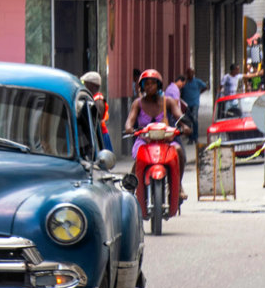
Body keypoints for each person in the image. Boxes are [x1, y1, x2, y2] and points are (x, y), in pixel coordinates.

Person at [125, 69, 190, 198]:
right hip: (144, 140)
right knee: (139, 157)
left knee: (179, 151)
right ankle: (131, 187)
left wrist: (185, 126)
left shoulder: (169, 102)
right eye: (146, 84)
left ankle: (178, 186)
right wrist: (130, 129)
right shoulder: (137, 103)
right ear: (142, 86)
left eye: (152, 83)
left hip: (165, 141)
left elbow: (179, 116)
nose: (149, 87)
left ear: (158, 85)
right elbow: (129, 122)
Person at [81, 71, 112, 150]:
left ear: (92, 85)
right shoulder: (92, 98)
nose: (84, 85)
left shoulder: (98, 101)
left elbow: (96, 120)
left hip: (100, 136)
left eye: (85, 83)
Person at [180, 67, 207, 144]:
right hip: (186, 105)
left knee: (194, 120)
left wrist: (199, 93)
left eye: (191, 73)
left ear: (193, 74)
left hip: (195, 103)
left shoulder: (197, 82)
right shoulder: (184, 82)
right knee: (188, 121)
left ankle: (195, 137)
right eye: (188, 73)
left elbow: (205, 87)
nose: (190, 75)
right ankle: (190, 138)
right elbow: (181, 91)